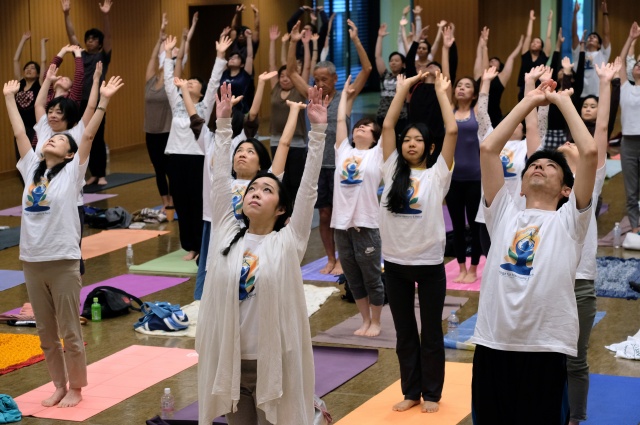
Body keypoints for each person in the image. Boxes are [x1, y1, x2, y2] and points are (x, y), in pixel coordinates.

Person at [196, 84, 327, 425]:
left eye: (266, 190)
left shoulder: (288, 241)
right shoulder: (226, 232)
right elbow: (219, 181)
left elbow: (309, 187)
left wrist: (318, 132)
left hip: (274, 363)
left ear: (281, 208)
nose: (255, 193)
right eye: (253, 189)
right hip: (231, 362)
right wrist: (223, 124)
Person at [470, 80, 598, 424]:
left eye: (551, 167)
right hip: (494, 344)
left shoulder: (570, 222)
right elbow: (487, 149)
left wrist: (559, 101)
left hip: (545, 348)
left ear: (567, 190)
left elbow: (588, 154)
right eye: (533, 167)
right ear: (522, 184)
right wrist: (528, 101)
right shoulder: (504, 213)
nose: (539, 167)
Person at [3, 74, 123, 408]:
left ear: (71, 156)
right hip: (31, 260)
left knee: (70, 331)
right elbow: (18, 132)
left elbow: (86, 135)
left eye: (59, 141)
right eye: (50, 139)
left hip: (63, 260)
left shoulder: (72, 173)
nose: (52, 139)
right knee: (45, 334)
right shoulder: (31, 167)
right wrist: (9, 99)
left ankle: (77, 387)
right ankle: (58, 383)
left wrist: (104, 102)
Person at [533, 61, 616, 425]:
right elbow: (534, 138)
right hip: (546, 280)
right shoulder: (542, 191)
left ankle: (575, 418)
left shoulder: (589, 183)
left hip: (579, 283)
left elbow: (600, 129)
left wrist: (604, 82)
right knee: (543, 357)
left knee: (576, 358)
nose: (569, 142)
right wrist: (532, 90)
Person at [380, 71, 457, 414]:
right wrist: (400, 91)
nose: (410, 143)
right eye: (407, 139)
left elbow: (452, 129)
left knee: (431, 335)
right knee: (404, 334)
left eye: (418, 140)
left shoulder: (438, 173)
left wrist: (442, 92)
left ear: (430, 147)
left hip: (428, 264)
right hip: (394, 264)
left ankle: (432, 394)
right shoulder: (391, 168)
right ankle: (411, 391)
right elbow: (387, 127)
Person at [286, 19, 372, 275]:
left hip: (341, 165)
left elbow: (367, 68)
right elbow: (291, 72)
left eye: (325, 79)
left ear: (335, 78)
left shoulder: (346, 94)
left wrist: (356, 39)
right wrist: (292, 43)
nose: (320, 84)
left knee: (343, 216)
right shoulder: (311, 96)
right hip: (318, 164)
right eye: (317, 79)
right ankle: (330, 258)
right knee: (324, 215)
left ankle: (346, 259)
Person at [163, 33, 228, 261]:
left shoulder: (203, 106)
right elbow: (168, 80)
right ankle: (190, 246)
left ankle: (202, 245)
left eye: (193, 83)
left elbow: (213, 83)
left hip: (197, 159)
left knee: (198, 203)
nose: (189, 82)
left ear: (200, 92)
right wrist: (168, 54)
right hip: (175, 158)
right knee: (181, 203)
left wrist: (220, 56)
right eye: (187, 81)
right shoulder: (177, 103)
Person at [333, 76, 384, 337]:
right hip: (341, 224)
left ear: (375, 138)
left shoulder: (377, 154)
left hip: (366, 224)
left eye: (366, 128)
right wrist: (345, 94)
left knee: (372, 277)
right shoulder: (343, 150)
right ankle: (364, 320)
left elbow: (391, 126)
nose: (360, 128)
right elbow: (341, 120)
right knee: (353, 279)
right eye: (359, 126)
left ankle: (376, 321)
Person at [62, 0, 113, 186]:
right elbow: (72, 34)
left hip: (96, 101)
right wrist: (66, 13)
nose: (89, 41)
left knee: (97, 138)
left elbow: (108, 36)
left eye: (93, 39)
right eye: (88, 39)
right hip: (79, 102)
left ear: (99, 43)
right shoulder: (81, 55)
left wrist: (106, 15)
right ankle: (92, 173)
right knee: (82, 138)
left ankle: (101, 174)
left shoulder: (103, 56)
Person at [445, 73, 483, 283]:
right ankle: (461, 266)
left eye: (467, 86)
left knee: (475, 225)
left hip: (475, 179)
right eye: (459, 85)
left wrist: (485, 79)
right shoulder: (448, 111)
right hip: (453, 179)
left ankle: (474, 267)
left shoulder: (476, 112)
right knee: (457, 225)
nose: (461, 88)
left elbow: (484, 95)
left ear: (474, 94)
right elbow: (445, 82)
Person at [267, 28, 308, 201]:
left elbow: (306, 67)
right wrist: (273, 41)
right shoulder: (275, 88)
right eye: (281, 76)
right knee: (280, 180)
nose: (284, 78)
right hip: (276, 139)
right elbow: (272, 66)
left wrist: (305, 45)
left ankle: (295, 214)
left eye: (288, 76)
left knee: (295, 182)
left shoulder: (299, 90)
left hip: (297, 141)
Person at [144, 13, 173, 211]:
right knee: (159, 170)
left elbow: (174, 65)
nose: (161, 62)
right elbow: (153, 56)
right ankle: (165, 202)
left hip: (168, 132)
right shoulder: (150, 81)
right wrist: (160, 35)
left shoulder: (171, 82)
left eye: (165, 60)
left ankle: (176, 198)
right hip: (151, 133)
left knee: (171, 169)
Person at [473, 26, 523, 127]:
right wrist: (482, 41)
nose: (492, 60)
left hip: (494, 115)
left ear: (500, 67)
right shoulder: (479, 74)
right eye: (491, 59)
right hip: (476, 112)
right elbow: (479, 56)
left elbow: (511, 58)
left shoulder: (502, 77)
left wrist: (520, 44)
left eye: (496, 60)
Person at [618, 22, 640, 233]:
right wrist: (631, 39)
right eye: (637, 63)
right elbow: (620, 60)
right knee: (631, 189)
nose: (638, 64)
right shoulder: (625, 86)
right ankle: (635, 226)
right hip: (628, 143)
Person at [13, 31, 46, 160]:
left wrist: (42, 44)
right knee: (21, 155)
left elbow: (43, 61)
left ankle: (37, 179)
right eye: (27, 67)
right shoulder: (20, 83)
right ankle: (25, 180)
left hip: (35, 126)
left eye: (32, 68)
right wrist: (23, 40)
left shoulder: (40, 83)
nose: (28, 69)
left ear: (38, 73)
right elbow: (16, 60)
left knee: (35, 155)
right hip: (20, 125)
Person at [571, 1, 611, 98]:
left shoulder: (603, 54)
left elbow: (606, 34)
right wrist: (575, 14)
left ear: (599, 45)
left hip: (597, 95)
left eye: (594, 37)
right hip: (580, 95)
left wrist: (605, 13)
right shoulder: (579, 54)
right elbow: (574, 35)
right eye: (589, 37)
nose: (591, 38)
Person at [375, 23, 407, 132]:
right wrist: (380, 37)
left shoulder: (406, 77)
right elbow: (378, 57)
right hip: (382, 114)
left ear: (403, 64)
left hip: (401, 116)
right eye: (391, 60)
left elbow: (411, 58)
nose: (393, 63)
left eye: (397, 61)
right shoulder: (385, 75)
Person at [516, 9, 553, 100]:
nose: (534, 43)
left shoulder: (543, 57)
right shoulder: (526, 55)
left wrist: (550, 21)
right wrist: (531, 20)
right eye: (533, 42)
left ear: (541, 47)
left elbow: (548, 37)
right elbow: (528, 36)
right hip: (523, 89)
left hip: (539, 89)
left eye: (537, 42)